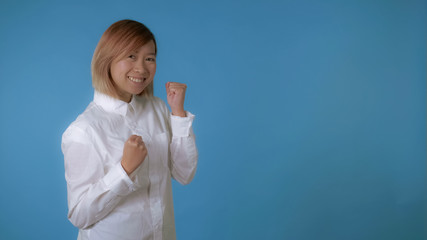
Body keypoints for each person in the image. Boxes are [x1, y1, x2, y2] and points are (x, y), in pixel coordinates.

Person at [61, 19, 198, 240]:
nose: (141, 68)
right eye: (131, 56)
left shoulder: (158, 109)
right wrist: (123, 171)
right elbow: (79, 215)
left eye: (150, 58)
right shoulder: (84, 131)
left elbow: (184, 174)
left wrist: (178, 114)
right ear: (107, 59)